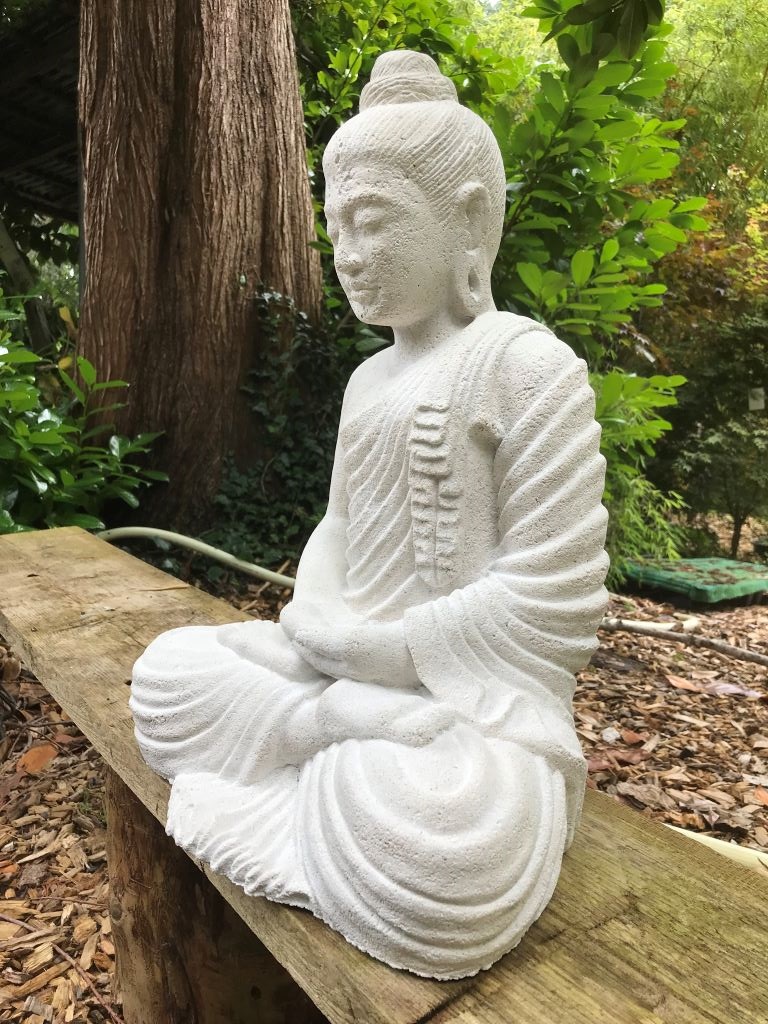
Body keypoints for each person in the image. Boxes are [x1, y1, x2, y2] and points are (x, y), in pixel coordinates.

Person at [130, 49, 609, 980]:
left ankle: (334, 751)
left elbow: (554, 600)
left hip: (467, 706)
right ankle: (324, 731)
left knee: (444, 841)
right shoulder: (366, 381)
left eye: (374, 222)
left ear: (467, 216)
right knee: (168, 674)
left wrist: (382, 651)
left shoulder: (527, 366)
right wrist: (318, 621)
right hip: (340, 672)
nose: (347, 254)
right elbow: (340, 528)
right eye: (336, 226)